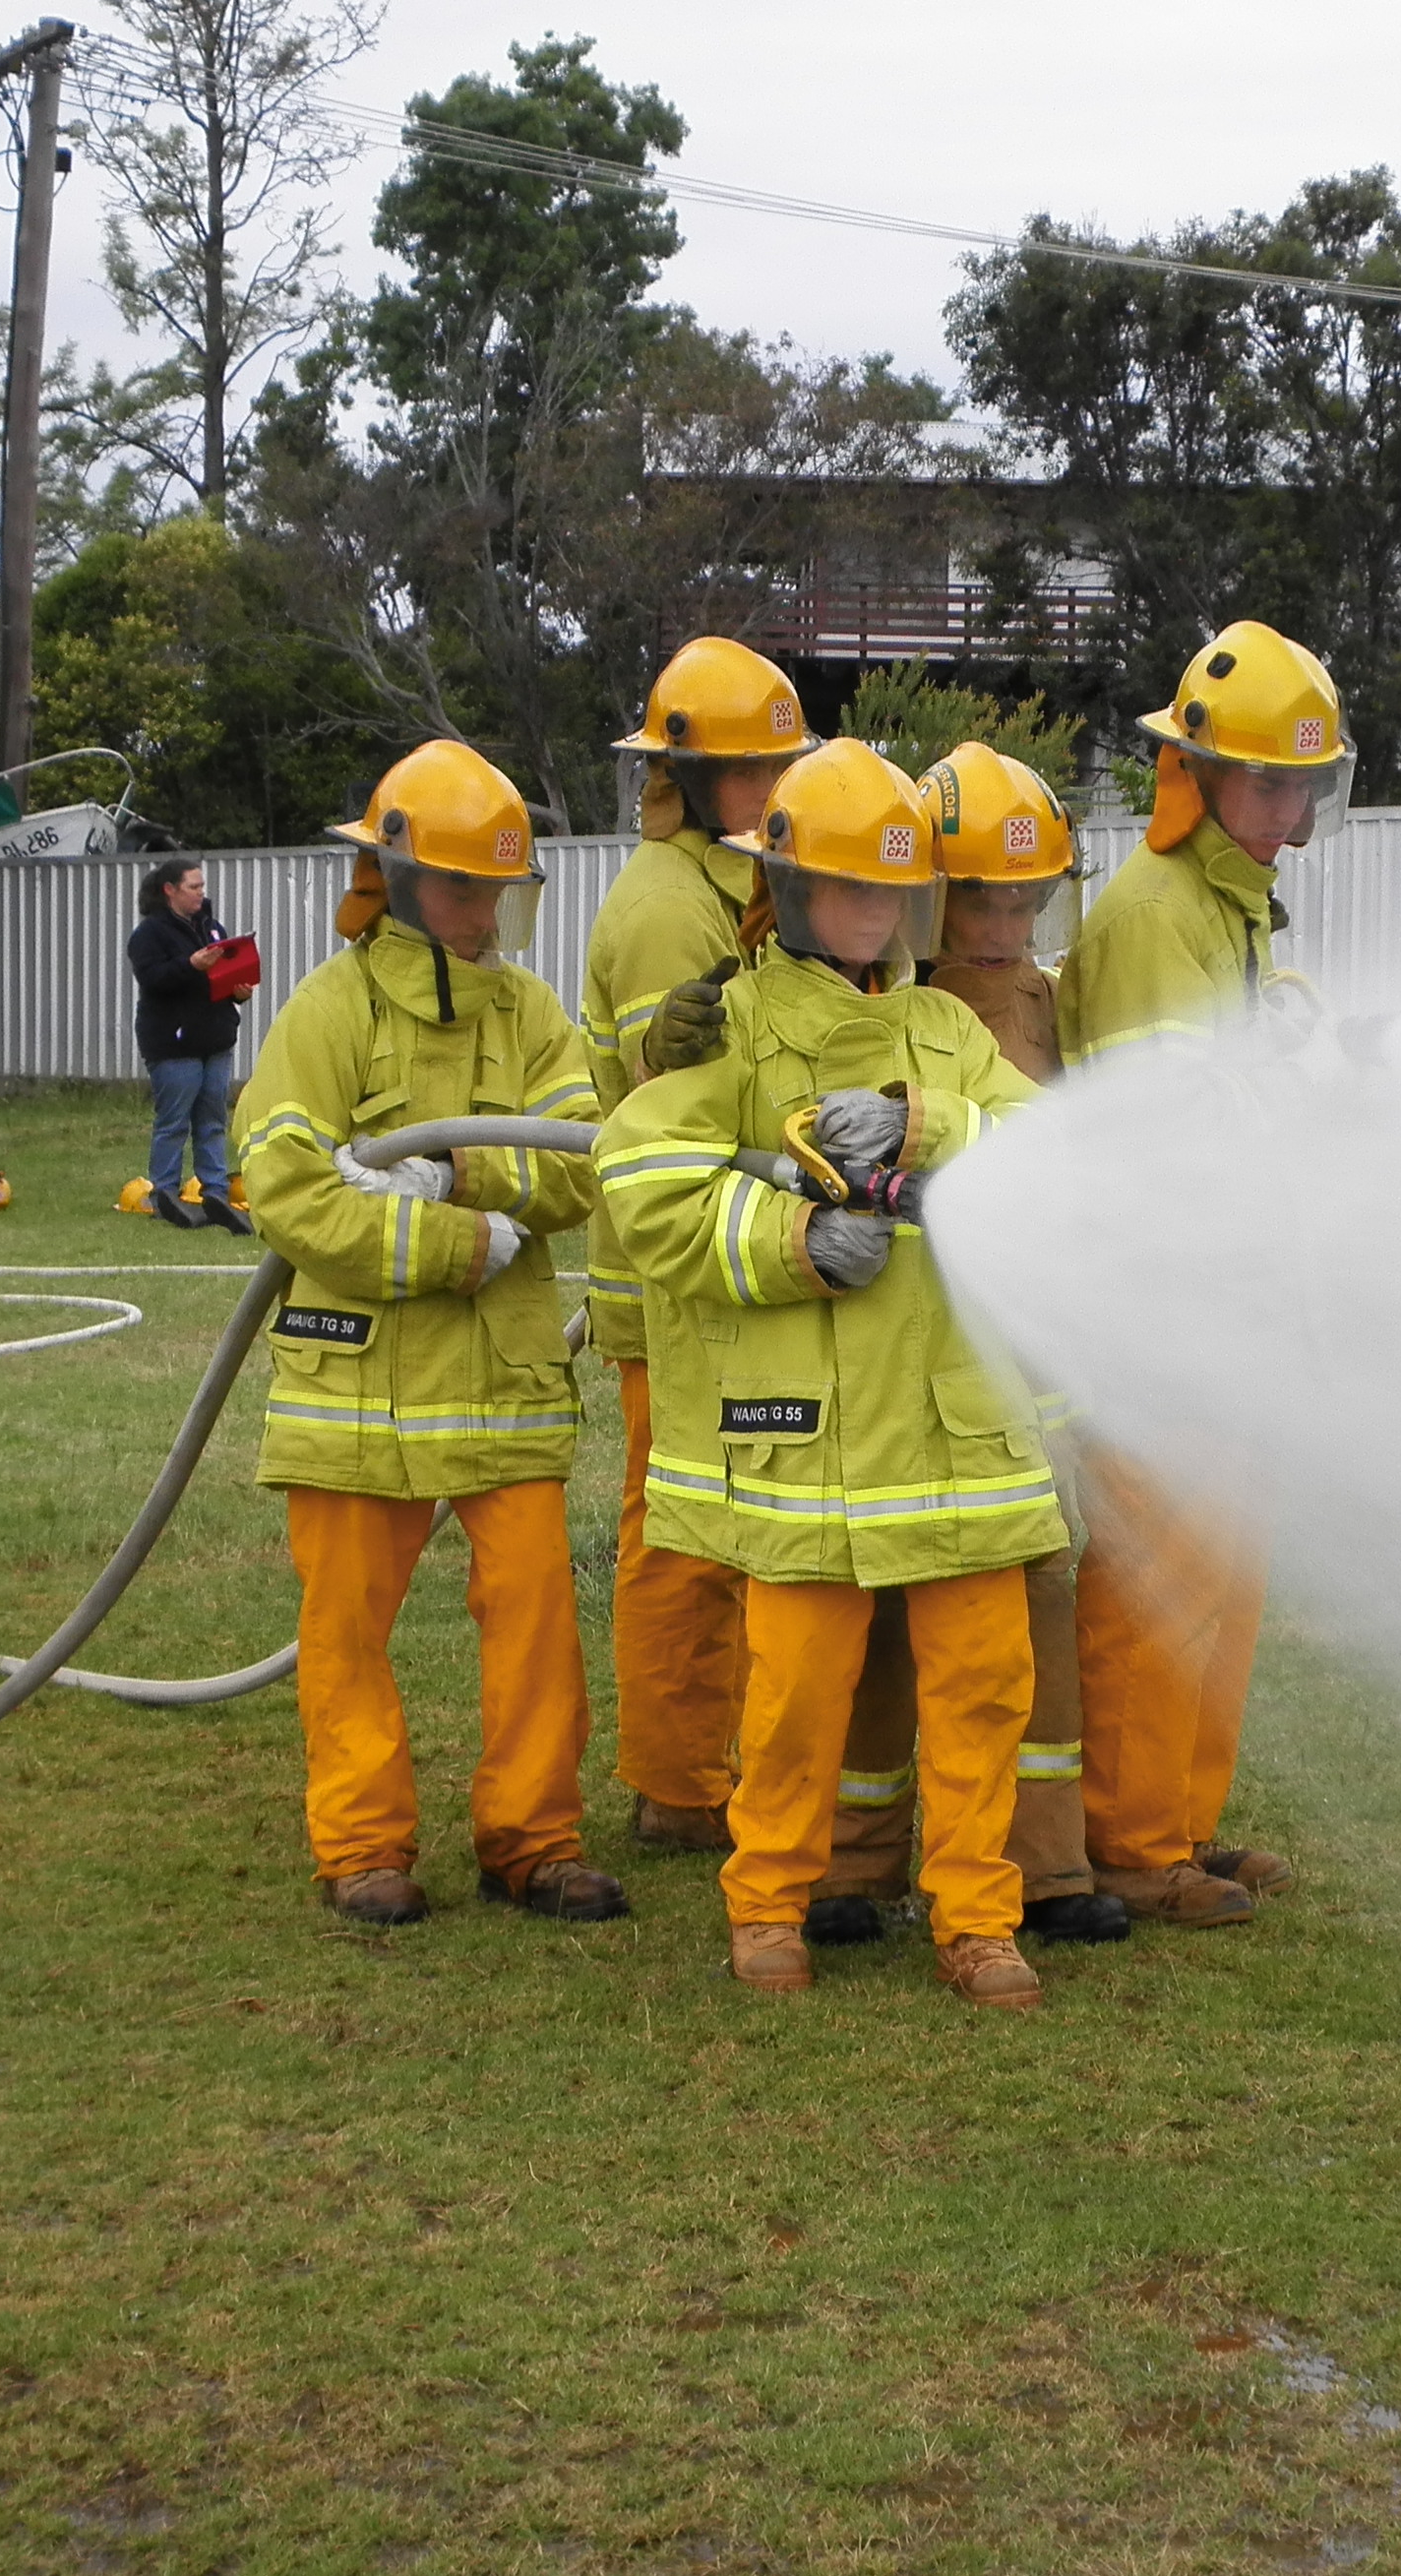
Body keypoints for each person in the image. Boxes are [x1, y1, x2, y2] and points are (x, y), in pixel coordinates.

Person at [596, 738, 1064, 2008]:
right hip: (801, 1451)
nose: (877, 916)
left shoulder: (947, 1030)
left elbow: (1049, 1152)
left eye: (896, 893)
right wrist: (793, 1241)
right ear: (790, 890)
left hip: (956, 1433)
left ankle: (979, 1921)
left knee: (982, 1692)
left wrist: (935, 1126)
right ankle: (767, 1911)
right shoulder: (725, 1029)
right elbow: (643, 1191)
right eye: (855, 889)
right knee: (794, 1702)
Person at [230, 741, 624, 1928]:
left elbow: (579, 1162)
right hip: (353, 1395)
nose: (482, 914)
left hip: (501, 1385)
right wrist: (460, 1239)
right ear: (395, 874)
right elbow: (283, 1184)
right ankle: (362, 1848)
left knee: (536, 1630)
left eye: (497, 891)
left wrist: (449, 1173)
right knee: (344, 1632)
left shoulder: (531, 1012)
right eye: (462, 887)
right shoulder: (329, 1011)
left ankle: (534, 1841)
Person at [1051, 620, 1359, 1925]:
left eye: (1304, 786)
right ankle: (1130, 1844)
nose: (1289, 812)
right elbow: (1154, 1130)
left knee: (1222, 1586)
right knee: (1156, 1589)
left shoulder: (1227, 908)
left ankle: (1184, 1822)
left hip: (1230, 1315)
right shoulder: (1152, 917)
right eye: (1270, 783)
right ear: (1195, 773)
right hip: (1159, 1321)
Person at [808, 742, 1127, 1953]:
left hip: (1024, 1367)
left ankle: (1041, 1867)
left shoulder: (1045, 1000)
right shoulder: (891, 1010)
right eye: (981, 895)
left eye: (1025, 895)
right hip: (906, 1354)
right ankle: (851, 1867)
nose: (1004, 921)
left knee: (1029, 1607)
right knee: (883, 1605)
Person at [579, 638, 812, 1854]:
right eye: (757, 769)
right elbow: (687, 1106)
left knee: (717, 1530)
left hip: (711, 1262)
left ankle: (700, 1770)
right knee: (679, 1541)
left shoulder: (723, 883)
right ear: (689, 777)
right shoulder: (668, 908)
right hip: (672, 1279)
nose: (778, 790)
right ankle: (676, 1789)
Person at [130, 856, 252, 1236]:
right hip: (173, 1042)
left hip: (215, 1037)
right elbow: (153, 979)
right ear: (170, 891)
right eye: (193, 887)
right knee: (174, 1122)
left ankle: (215, 1193)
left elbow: (222, 976)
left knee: (212, 1119)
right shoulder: (149, 934)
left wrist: (239, 991)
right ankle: (163, 1193)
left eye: (202, 886)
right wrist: (191, 965)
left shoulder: (213, 929)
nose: (201, 893)